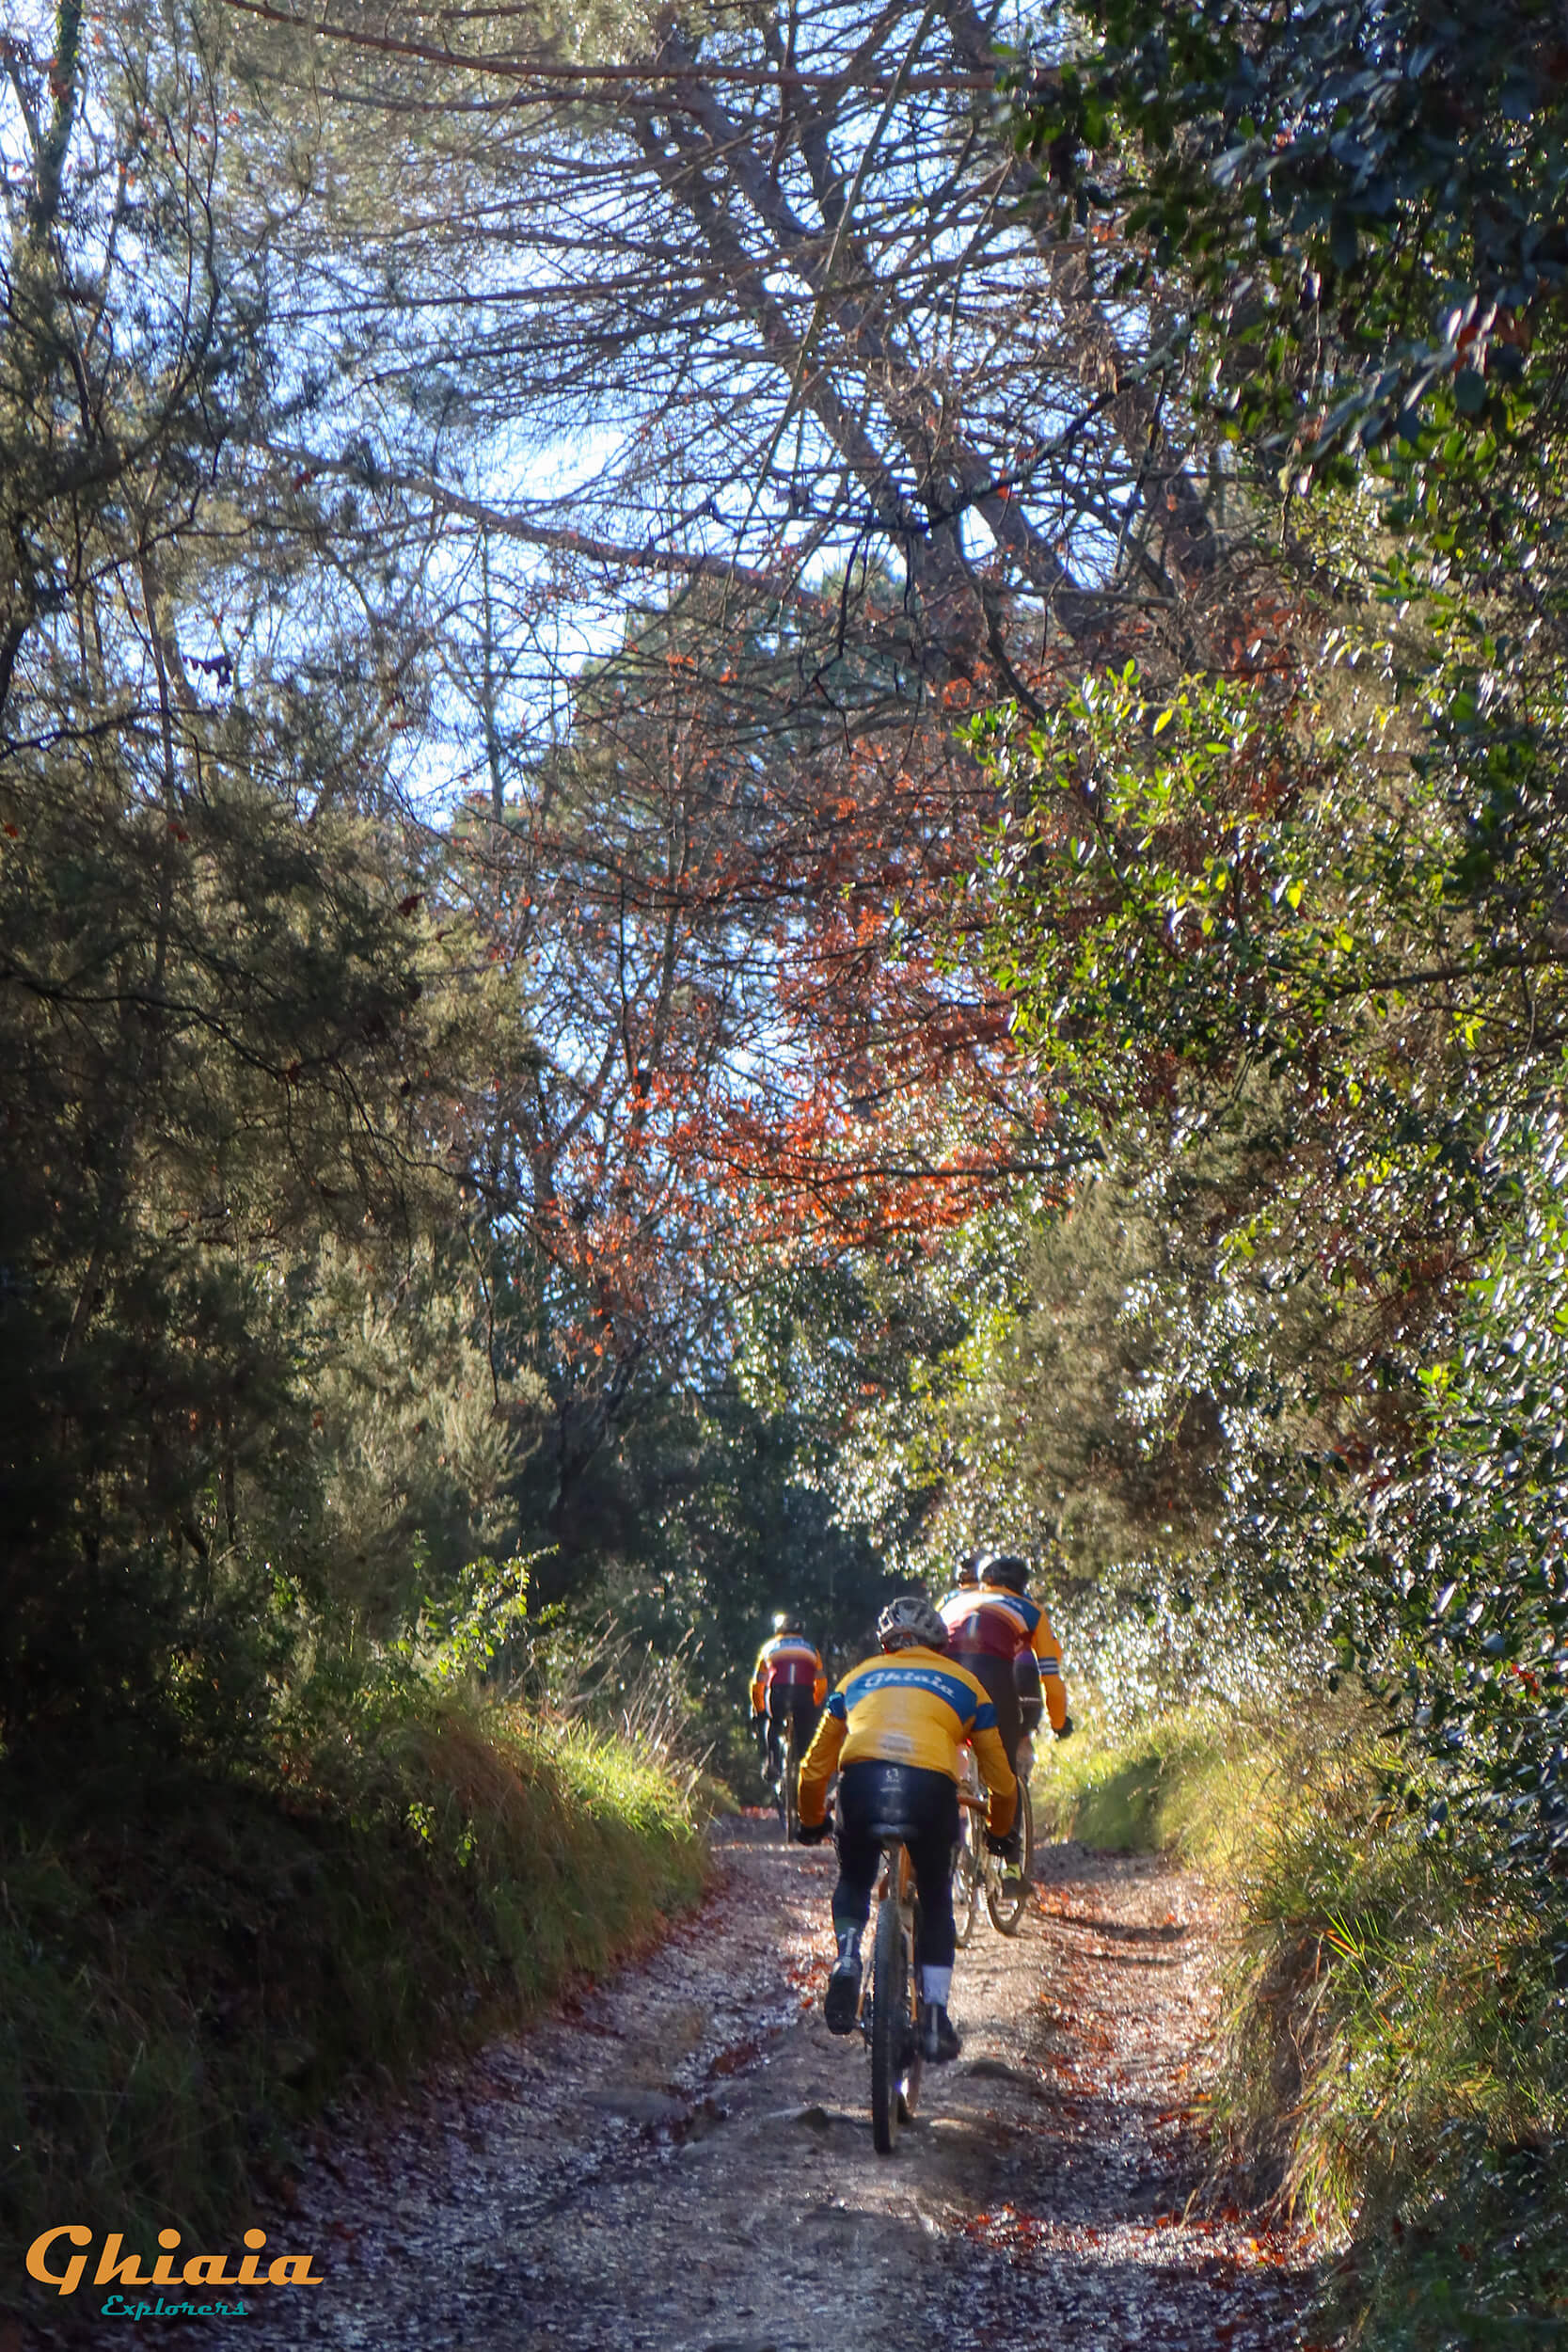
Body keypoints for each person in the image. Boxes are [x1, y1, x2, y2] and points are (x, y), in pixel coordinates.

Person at [794, 1595, 1016, 2064]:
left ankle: (849, 1957)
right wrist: (999, 1831)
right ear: (938, 1644)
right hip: (930, 1791)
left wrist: (812, 1821)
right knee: (935, 1897)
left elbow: (814, 1769)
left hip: (862, 1784)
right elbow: (1001, 1779)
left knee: (854, 1878)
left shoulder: (857, 1678)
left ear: (886, 1644)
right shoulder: (966, 1684)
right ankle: (934, 2015)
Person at [939, 1551, 1071, 1777]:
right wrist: (1058, 1722)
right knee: (1005, 1777)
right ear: (1022, 1587)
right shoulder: (1030, 1608)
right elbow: (1050, 1674)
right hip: (1000, 1677)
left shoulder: (952, 1603)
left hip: (945, 1680)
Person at [750, 1613, 828, 1788]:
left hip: (778, 1695)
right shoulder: (811, 1649)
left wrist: (760, 1710)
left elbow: (758, 1684)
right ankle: (806, 1774)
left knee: (773, 1724)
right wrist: (814, 1704)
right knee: (805, 1740)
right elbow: (821, 1683)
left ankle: (773, 1763)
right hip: (805, 1696)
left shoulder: (769, 1648)